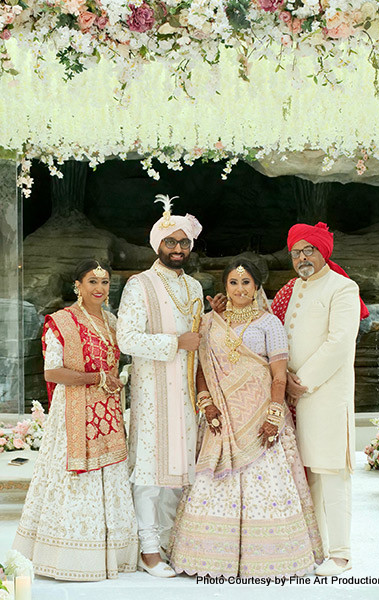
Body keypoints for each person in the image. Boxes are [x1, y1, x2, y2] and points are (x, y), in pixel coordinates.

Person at [169, 258, 323, 578]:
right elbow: (201, 370)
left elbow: (278, 376)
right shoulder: (210, 323)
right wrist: (206, 403)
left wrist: (274, 415)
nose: (240, 289)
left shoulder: (270, 324)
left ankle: (269, 556)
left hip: (259, 416)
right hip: (221, 419)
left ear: (256, 287)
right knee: (214, 482)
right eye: (233, 283)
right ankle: (210, 556)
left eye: (246, 283)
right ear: (225, 287)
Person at [13, 259, 138, 581]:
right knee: (75, 482)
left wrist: (119, 376)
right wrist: (97, 377)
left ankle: (110, 554)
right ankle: (69, 555)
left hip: (107, 413)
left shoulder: (113, 321)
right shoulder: (61, 321)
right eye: (92, 282)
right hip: (73, 413)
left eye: (105, 282)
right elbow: (52, 372)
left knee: (108, 477)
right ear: (77, 286)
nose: (99, 288)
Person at [117, 195, 210, 578]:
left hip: (186, 394)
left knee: (180, 470)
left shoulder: (195, 287)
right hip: (154, 393)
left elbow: (203, 338)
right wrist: (175, 342)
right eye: (171, 242)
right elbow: (126, 340)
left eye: (184, 242)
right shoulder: (139, 285)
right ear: (158, 245)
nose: (178, 248)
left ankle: (172, 542)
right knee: (151, 471)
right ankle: (148, 549)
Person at [270, 222, 369, 576]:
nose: (301, 258)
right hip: (295, 395)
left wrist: (302, 382)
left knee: (332, 471)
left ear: (322, 250)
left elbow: (340, 342)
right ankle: (317, 547)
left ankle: (341, 553)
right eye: (296, 252)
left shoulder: (343, 287)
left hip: (324, 395)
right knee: (308, 473)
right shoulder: (295, 287)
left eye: (308, 250)